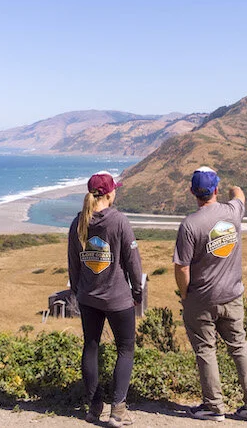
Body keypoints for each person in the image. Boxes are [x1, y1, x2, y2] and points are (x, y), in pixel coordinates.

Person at [173, 166, 247, 423]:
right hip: (232, 295)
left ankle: (214, 407)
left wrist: (185, 295)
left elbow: (182, 266)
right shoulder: (233, 211)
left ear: (192, 192)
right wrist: (232, 188)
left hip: (201, 298)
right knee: (239, 346)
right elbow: (240, 194)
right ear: (216, 190)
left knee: (205, 350)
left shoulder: (190, 224)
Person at [68, 171, 143, 427]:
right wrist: (137, 291)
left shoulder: (78, 222)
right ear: (110, 193)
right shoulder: (119, 221)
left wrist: (77, 292)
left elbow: (73, 264)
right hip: (118, 298)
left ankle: (93, 407)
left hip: (89, 297)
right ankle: (118, 410)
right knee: (125, 349)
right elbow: (133, 262)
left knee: (90, 347)